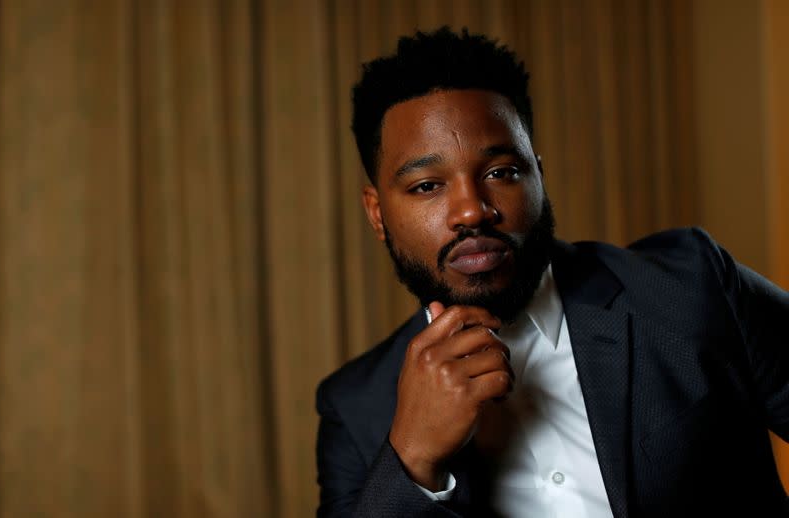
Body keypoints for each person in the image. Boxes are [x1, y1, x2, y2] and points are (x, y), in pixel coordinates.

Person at [315, 26, 789, 517]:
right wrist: (412, 458)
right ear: (377, 214)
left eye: (501, 173)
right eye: (427, 186)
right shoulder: (354, 408)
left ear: (538, 174)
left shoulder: (691, 283)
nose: (472, 211)